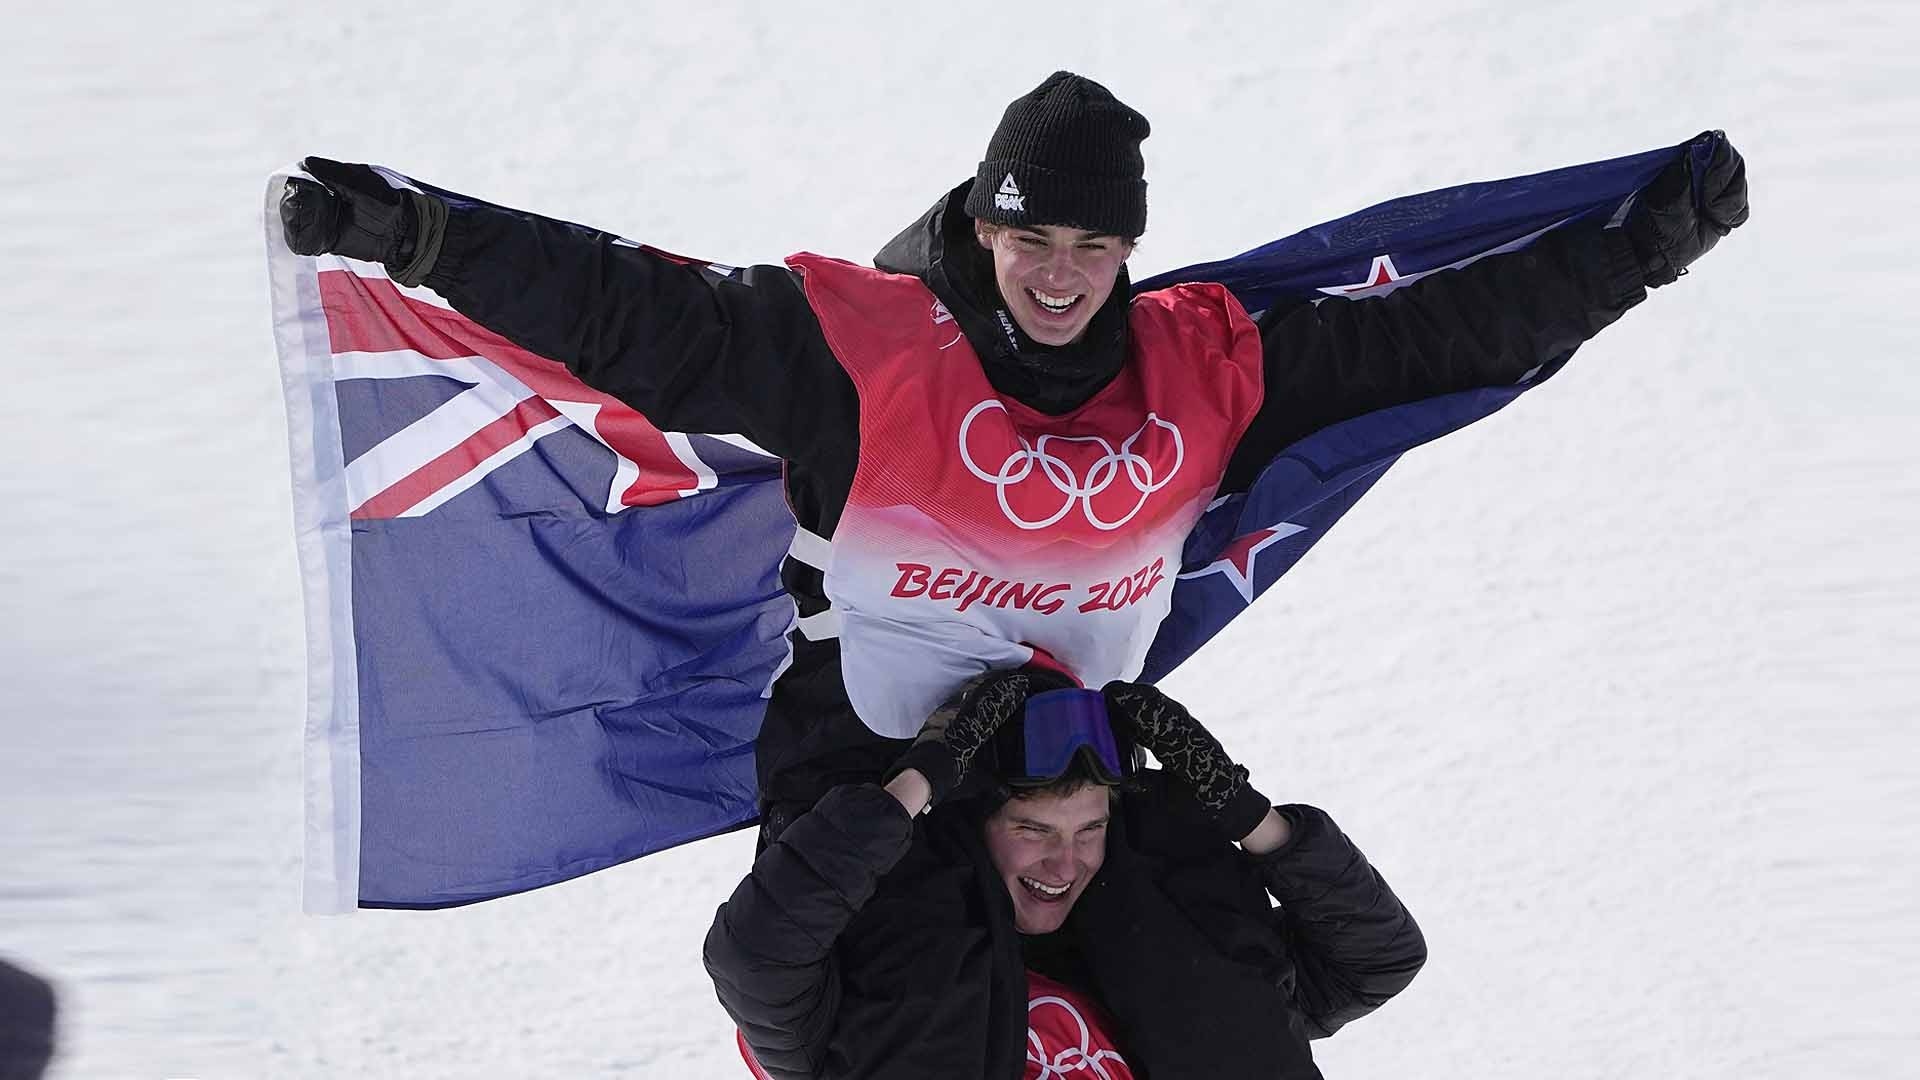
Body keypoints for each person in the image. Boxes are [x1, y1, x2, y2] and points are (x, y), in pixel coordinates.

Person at [279, 72, 1749, 819]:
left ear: (1131, 251)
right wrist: (423, 231)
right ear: (978, 229)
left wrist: (1639, 255)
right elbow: (636, 313)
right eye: (1028, 234)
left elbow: (1437, 336)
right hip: (860, 765)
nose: (1058, 272)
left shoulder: (1209, 362)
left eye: (1094, 243)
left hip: (1070, 777)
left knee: (1212, 993)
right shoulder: (856, 345)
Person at [702, 669, 1425, 1078]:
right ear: (977, 829)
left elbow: (756, 954)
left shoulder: (825, 1038)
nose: (1065, 862)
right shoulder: (1145, 944)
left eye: (1090, 831)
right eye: (1032, 830)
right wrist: (1248, 819)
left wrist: (910, 789)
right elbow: (1375, 960)